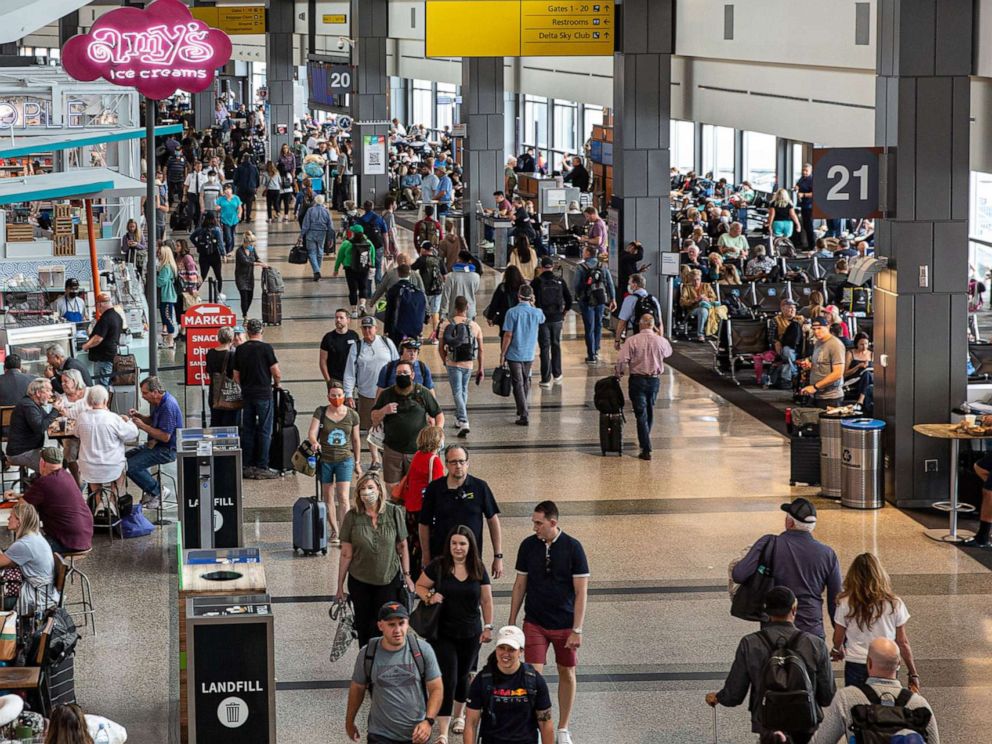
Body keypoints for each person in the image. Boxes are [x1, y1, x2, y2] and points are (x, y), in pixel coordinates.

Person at [706, 586, 835, 744]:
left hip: (767, 720)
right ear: (794, 609)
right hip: (805, 721)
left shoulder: (750, 643)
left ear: (766, 613)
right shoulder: (815, 644)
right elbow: (827, 696)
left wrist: (718, 698)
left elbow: (735, 694)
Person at [508, 501, 589, 744]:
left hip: (565, 623)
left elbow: (581, 592)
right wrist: (512, 622)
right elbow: (520, 584)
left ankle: (563, 728)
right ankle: (540, 725)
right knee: (533, 675)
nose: (535, 527)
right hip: (535, 621)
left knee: (567, 671)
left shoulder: (574, 548)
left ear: (553, 523)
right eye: (534, 523)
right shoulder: (528, 546)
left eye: (539, 523)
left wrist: (577, 629)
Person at [416, 526, 494, 743]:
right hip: (443, 632)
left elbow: (486, 600)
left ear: (470, 546)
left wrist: (488, 626)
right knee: (448, 677)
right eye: (454, 543)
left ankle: (459, 716)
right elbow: (420, 586)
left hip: (470, 633)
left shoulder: (478, 568)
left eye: (462, 544)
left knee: (464, 675)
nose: (458, 548)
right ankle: (442, 730)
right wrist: (430, 597)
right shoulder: (439, 566)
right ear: (449, 545)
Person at [732, 498, 842, 638]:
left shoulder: (769, 543)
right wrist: (840, 641)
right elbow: (836, 600)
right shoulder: (828, 554)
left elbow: (739, 575)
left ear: (789, 522)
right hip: (812, 632)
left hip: (773, 632)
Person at [345, 600, 443, 744]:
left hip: (417, 734)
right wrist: (349, 721)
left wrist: (428, 721)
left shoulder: (422, 650)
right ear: (380, 626)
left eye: (401, 623)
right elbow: (357, 688)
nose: (397, 630)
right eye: (391, 625)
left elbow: (436, 688)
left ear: (407, 623)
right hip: (380, 735)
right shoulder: (367, 653)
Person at [337, 472, 417, 647]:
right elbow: (346, 554)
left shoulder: (394, 512)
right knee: (364, 627)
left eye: (370, 487)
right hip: (360, 581)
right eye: (362, 489)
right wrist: (339, 586)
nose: (366, 492)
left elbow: (402, 545)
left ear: (379, 490)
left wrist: (408, 575)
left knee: (385, 623)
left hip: (388, 579)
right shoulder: (352, 517)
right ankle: (367, 662)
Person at [810, 638, 939, 744]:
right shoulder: (919, 705)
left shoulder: (846, 698)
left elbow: (820, 740)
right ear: (898, 664)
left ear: (869, 663)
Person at [832, 553, 919, 690]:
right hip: (886, 663)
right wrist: (913, 673)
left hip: (856, 662)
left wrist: (837, 649)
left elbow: (838, 637)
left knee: (857, 706)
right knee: (885, 706)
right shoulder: (894, 603)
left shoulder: (845, 602)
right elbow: (902, 643)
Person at [464, 625, 555, 744]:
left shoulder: (535, 680)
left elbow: (545, 723)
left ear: (521, 651)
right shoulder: (482, 679)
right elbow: (471, 723)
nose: (505, 653)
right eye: (502, 648)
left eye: (511, 649)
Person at [370, 360, 444, 488]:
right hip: (392, 450)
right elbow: (374, 418)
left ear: (412, 375)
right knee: (392, 488)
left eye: (405, 372)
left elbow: (438, 414)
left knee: (417, 486)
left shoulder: (422, 393)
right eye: (399, 373)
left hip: (417, 451)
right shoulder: (387, 394)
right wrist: (384, 410)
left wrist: (436, 433)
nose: (402, 375)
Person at [308, 383, 361, 546]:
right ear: (328, 396)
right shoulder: (321, 412)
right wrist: (315, 442)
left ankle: (344, 531)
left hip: (345, 459)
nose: (336, 399)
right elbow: (312, 432)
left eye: (339, 395)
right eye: (333, 395)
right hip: (325, 460)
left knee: (343, 497)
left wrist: (358, 462)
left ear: (344, 396)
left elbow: (356, 439)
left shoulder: (352, 415)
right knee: (328, 496)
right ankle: (335, 530)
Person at [615, 314, 672, 460]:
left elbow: (622, 359)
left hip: (637, 380)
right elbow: (668, 353)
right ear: (653, 325)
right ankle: (645, 440)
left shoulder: (632, 340)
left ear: (640, 325)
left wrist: (619, 373)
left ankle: (646, 447)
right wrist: (659, 335)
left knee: (640, 413)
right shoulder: (661, 341)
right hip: (654, 380)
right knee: (649, 410)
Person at [343, 317, 398, 468]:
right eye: (364, 328)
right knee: (371, 426)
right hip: (367, 394)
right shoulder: (357, 346)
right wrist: (348, 394)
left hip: (388, 393)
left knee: (390, 425)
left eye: (370, 327)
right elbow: (350, 372)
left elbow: (397, 363)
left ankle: (388, 454)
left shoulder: (387, 343)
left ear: (376, 328)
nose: (367, 331)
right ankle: (375, 458)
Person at [16, 447, 93, 554]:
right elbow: (48, 495)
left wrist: (20, 498)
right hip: (84, 537)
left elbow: (21, 505)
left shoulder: (44, 482)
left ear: (42, 462)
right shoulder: (67, 476)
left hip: (65, 541)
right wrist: (17, 495)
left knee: (20, 550)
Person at [392, 425, 445, 579]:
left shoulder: (417, 455)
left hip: (411, 507)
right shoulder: (434, 461)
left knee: (413, 543)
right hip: (424, 508)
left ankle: (412, 573)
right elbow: (438, 487)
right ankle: (426, 574)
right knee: (427, 544)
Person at [233, 319, 281, 479]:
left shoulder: (240, 349)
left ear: (247, 331)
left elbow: (236, 375)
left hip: (247, 394)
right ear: (262, 331)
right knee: (265, 430)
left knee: (248, 429)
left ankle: (247, 464)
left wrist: (244, 387)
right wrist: (276, 384)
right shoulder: (266, 348)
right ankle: (262, 465)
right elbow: (276, 372)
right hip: (264, 394)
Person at [125, 376, 182, 509]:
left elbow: (165, 436)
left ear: (155, 392)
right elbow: (153, 421)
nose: (143, 397)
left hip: (166, 450)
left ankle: (157, 491)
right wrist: (139, 416)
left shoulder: (168, 406)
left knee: (131, 466)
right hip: (155, 445)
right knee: (125, 460)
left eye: (145, 393)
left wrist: (142, 426)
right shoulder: (159, 402)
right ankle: (151, 489)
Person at [76, 385, 139, 506]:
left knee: (93, 476)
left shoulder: (82, 417)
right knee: (120, 471)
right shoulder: (114, 418)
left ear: (89, 401)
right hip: (112, 466)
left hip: (88, 468)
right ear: (106, 400)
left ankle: (99, 503)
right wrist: (128, 421)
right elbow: (133, 434)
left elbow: (76, 433)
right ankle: (112, 500)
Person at [0, 502, 58, 615]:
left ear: (19, 521)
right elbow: (10, 562)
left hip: (36, 596)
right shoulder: (35, 536)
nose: (8, 518)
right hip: (46, 591)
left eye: (11, 516)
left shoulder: (24, 544)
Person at [438, 296, 485, 437]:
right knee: (463, 390)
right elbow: (481, 349)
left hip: (452, 362)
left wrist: (445, 360)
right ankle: (459, 418)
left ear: (455, 308)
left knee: (457, 391)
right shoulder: (474, 325)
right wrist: (480, 367)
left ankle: (464, 420)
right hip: (468, 363)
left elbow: (441, 347)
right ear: (467, 308)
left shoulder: (446, 324)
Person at [500, 285, 545, 426]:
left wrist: (503, 353)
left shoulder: (512, 312)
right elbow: (542, 320)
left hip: (514, 352)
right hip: (529, 352)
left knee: (518, 382)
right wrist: (534, 303)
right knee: (525, 380)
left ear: (518, 296)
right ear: (531, 297)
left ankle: (524, 413)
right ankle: (522, 408)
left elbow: (508, 334)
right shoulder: (537, 312)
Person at [530, 257, 572, 388]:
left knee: (544, 348)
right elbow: (569, 300)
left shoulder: (536, 282)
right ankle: (557, 374)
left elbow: (531, 299)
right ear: (552, 267)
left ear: (541, 267)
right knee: (556, 345)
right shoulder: (560, 281)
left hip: (542, 318)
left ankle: (545, 378)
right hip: (557, 318)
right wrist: (563, 313)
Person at [7, 378, 63, 472]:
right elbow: (40, 428)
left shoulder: (34, 404)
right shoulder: (28, 406)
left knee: (58, 460)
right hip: (20, 452)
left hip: (30, 448)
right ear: (38, 393)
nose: (51, 394)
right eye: (48, 390)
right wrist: (55, 410)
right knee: (54, 469)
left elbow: (47, 420)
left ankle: (36, 479)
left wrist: (59, 411)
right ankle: (39, 482)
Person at [573, 245, 616, 363]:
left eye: (584, 251)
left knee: (589, 327)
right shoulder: (603, 266)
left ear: (588, 254)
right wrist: (613, 299)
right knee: (598, 324)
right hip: (600, 298)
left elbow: (576, 285)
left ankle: (591, 354)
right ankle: (596, 349)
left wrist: (578, 296)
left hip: (587, 300)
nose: (583, 253)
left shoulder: (581, 267)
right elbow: (610, 284)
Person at [800, 317, 846, 407]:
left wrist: (815, 387)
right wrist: (810, 365)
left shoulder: (835, 345)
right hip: (817, 395)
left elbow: (838, 373)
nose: (816, 332)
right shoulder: (818, 343)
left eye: (819, 328)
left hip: (831, 397)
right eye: (814, 329)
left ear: (828, 327)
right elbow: (821, 364)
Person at [80, 293, 123, 386]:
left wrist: (86, 346)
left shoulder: (105, 318)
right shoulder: (117, 316)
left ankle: (103, 401)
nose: (98, 309)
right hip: (112, 355)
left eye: (98, 305)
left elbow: (98, 338)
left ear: (100, 304)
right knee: (108, 384)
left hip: (103, 358)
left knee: (102, 385)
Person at [334, 224, 376, 318]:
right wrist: (371, 266)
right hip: (364, 268)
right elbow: (372, 256)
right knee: (363, 287)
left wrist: (336, 269)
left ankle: (354, 311)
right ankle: (362, 305)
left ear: (353, 233)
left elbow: (340, 257)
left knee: (352, 290)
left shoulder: (347, 243)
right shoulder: (368, 243)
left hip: (350, 269)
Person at [383, 264, 428, 348]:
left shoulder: (394, 290)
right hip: (415, 329)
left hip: (398, 330)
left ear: (398, 274)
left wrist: (387, 330)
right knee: (412, 350)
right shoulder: (417, 291)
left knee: (396, 351)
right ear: (409, 274)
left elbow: (389, 311)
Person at [411, 242, 447, 343]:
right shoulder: (439, 260)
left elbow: (410, 269)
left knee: (422, 311)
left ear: (424, 249)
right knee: (435, 313)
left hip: (424, 291)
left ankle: (420, 335)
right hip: (437, 291)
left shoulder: (422, 259)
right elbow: (445, 276)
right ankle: (435, 336)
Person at [615, 273, 662, 345]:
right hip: (653, 335)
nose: (629, 286)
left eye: (629, 283)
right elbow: (660, 323)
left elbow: (622, 322)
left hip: (634, 334)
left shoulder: (629, 299)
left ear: (635, 285)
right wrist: (660, 340)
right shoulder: (653, 299)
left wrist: (617, 340)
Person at [319, 309, 360, 388]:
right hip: (335, 379)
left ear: (348, 320)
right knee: (338, 400)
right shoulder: (328, 337)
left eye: (341, 318)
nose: (338, 320)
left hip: (351, 378)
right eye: (336, 317)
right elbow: (322, 361)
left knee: (351, 400)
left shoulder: (354, 335)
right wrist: (328, 381)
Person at [234, 231, 267, 320]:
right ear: (245, 242)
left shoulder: (252, 249)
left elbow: (256, 257)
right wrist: (259, 264)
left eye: (253, 243)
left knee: (250, 297)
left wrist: (261, 262)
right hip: (241, 277)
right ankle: (245, 315)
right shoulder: (239, 251)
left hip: (249, 277)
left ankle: (245, 311)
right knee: (244, 296)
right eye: (250, 243)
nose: (252, 245)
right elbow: (246, 262)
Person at [441, 250, 482, 321]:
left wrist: (442, 312)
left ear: (459, 259)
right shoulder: (476, 276)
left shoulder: (450, 276)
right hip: (470, 311)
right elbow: (475, 290)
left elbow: (445, 295)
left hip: (455, 311)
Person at [679, 268, 717, 342]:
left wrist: (707, 299)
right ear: (690, 280)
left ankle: (714, 332)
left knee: (709, 310)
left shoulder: (706, 286)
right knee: (703, 311)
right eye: (694, 280)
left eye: (698, 279)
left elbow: (714, 298)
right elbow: (682, 302)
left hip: (708, 307)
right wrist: (695, 300)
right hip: (693, 309)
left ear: (701, 278)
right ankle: (700, 334)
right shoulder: (687, 288)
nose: (696, 282)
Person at [302, 194, 333, 281]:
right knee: (320, 252)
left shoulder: (310, 210)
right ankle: (317, 271)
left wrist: (301, 235)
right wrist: (330, 238)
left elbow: (306, 224)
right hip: (322, 234)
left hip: (311, 233)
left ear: (315, 201)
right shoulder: (326, 211)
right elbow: (330, 226)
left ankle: (316, 271)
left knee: (311, 253)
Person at [191, 211, 225, 288]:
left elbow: (192, 237)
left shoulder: (200, 229)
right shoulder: (216, 229)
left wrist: (197, 245)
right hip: (215, 255)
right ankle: (218, 294)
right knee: (218, 276)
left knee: (203, 276)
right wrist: (223, 254)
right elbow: (220, 242)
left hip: (203, 256)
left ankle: (195, 291)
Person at [773, 298, 803, 387]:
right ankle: (795, 375)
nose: (793, 310)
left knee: (796, 325)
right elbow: (771, 337)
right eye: (790, 307)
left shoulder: (800, 319)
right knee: (788, 351)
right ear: (782, 308)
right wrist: (776, 342)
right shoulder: (776, 320)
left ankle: (790, 378)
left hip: (800, 345)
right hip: (785, 345)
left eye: (794, 307)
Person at [156, 243, 179, 349]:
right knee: (166, 317)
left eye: (160, 253)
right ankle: (169, 339)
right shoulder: (170, 266)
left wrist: (154, 279)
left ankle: (170, 340)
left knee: (167, 317)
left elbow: (161, 282)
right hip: (168, 296)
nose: (158, 255)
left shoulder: (165, 267)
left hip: (167, 296)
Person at [216, 183, 242, 255]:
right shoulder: (220, 199)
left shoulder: (236, 198)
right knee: (228, 236)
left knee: (232, 235)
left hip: (234, 219)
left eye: (229, 189)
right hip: (225, 220)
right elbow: (217, 207)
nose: (227, 191)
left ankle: (231, 249)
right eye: (226, 189)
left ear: (232, 190)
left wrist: (239, 214)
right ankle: (228, 250)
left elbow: (240, 207)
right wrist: (218, 208)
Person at [233, 153, 259, 223]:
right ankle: (248, 217)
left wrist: (236, 184)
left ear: (243, 159)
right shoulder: (254, 167)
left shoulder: (239, 167)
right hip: (251, 188)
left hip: (241, 188)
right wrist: (256, 186)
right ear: (250, 159)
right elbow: (257, 178)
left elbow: (235, 178)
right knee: (249, 203)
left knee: (241, 203)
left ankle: (241, 217)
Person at [795, 163, 814, 248]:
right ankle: (807, 244)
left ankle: (811, 245)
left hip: (809, 205)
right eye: (803, 170)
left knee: (809, 226)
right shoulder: (802, 179)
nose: (804, 172)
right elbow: (798, 185)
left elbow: (815, 193)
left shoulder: (812, 180)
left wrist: (804, 195)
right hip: (803, 205)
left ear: (810, 171)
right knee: (805, 226)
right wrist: (796, 188)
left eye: (806, 171)